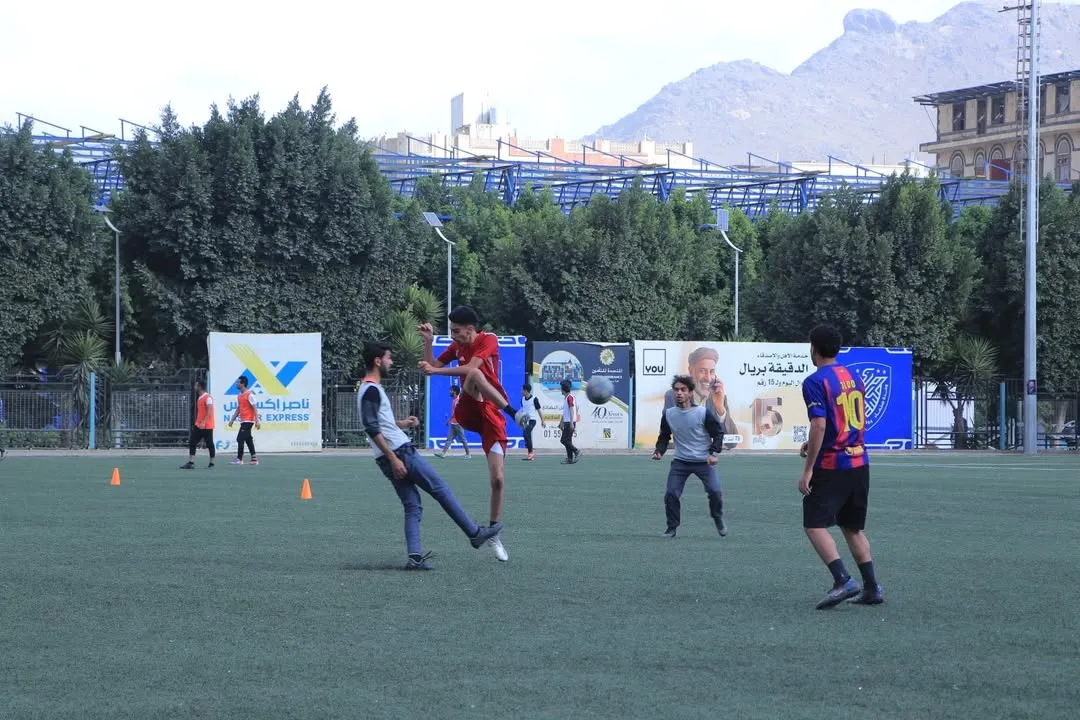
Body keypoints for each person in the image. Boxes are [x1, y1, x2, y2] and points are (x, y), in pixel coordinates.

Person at [360, 342, 503, 570]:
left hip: (387, 455)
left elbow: (379, 424)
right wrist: (394, 458)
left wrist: (402, 424)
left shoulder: (367, 389)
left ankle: (414, 557)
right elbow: (370, 427)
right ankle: (475, 533)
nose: (391, 362)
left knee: (413, 506)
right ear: (377, 361)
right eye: (388, 358)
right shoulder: (371, 390)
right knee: (440, 489)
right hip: (400, 452)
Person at [418, 305, 529, 563]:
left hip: (491, 415)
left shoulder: (488, 339)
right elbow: (433, 365)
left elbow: (463, 368)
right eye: (451, 332)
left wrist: (436, 370)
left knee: (498, 479)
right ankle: (515, 414)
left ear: (470, 330)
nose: (454, 336)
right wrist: (428, 343)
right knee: (474, 375)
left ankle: (493, 533)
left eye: (457, 331)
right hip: (469, 410)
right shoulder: (457, 347)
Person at [799, 323, 884, 609]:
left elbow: (820, 423)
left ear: (814, 349)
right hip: (860, 461)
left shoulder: (815, 381)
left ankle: (842, 580)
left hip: (832, 464)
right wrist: (811, 445)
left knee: (814, 524)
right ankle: (872, 588)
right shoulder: (854, 375)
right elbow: (843, 420)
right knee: (852, 527)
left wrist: (808, 468)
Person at [652, 374, 727, 538]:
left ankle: (717, 517)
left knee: (715, 492)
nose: (679, 393)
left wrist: (713, 452)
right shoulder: (669, 414)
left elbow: (718, 433)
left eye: (683, 390)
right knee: (671, 494)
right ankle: (671, 528)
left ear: (691, 392)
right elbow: (664, 436)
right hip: (681, 462)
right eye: (676, 390)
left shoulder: (703, 413)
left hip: (704, 462)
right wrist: (659, 450)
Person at [663, 346, 738, 450]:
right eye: (702, 371)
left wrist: (720, 409)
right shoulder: (674, 396)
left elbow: (732, 443)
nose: (708, 378)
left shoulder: (719, 397)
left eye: (711, 372)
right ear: (691, 371)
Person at [181, 378, 216, 469]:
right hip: (198, 425)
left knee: (209, 444)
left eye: (196, 385)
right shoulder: (200, 397)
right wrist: (199, 422)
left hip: (207, 426)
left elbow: (209, 411)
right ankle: (191, 462)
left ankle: (212, 462)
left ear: (200, 387)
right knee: (192, 442)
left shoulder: (207, 397)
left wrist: (204, 422)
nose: (195, 387)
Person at [227, 375, 260, 465]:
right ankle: (254, 459)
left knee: (240, 438)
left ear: (243, 384)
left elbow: (255, 408)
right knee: (248, 439)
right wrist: (232, 420)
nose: (236, 384)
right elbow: (238, 408)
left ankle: (239, 459)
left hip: (248, 421)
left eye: (238, 382)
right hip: (243, 420)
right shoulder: (239, 396)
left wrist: (257, 421)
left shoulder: (250, 395)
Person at [434, 385, 472, 458]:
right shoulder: (454, 400)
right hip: (453, 423)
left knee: (463, 439)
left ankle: (468, 454)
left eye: (451, 390)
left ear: (454, 391)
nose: (450, 392)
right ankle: (443, 453)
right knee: (449, 439)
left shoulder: (457, 400)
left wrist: (448, 420)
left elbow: (456, 412)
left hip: (458, 423)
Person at [558, 378, 580, 464]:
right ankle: (570, 458)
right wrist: (561, 422)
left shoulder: (569, 398)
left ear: (563, 389)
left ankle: (576, 451)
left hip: (569, 423)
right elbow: (565, 412)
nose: (560, 389)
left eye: (561, 388)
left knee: (564, 440)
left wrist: (571, 422)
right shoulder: (567, 398)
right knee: (568, 441)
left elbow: (572, 410)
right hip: (567, 422)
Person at [521, 384, 544, 461]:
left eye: (522, 390)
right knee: (525, 435)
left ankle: (530, 452)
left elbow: (539, 410)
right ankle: (530, 454)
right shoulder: (522, 400)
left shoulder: (534, 399)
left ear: (526, 391)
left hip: (532, 420)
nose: (521, 391)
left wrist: (542, 421)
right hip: (525, 420)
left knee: (527, 433)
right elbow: (523, 410)